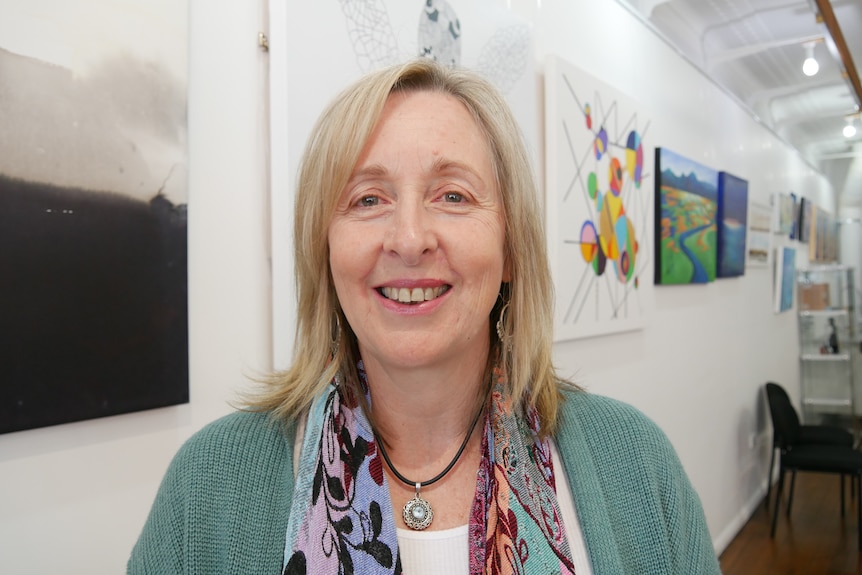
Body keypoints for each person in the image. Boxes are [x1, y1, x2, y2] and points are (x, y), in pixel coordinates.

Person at [128, 58, 721, 574]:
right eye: (368, 199)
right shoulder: (208, 486)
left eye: (454, 195)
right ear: (325, 250)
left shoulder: (637, 464)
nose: (409, 239)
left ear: (512, 248)